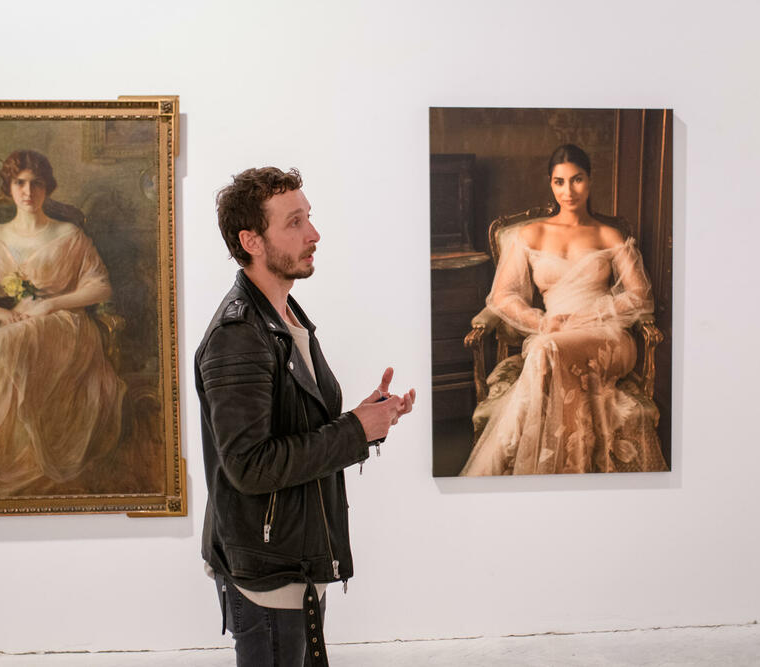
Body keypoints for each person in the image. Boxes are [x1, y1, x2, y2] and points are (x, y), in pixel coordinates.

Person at [196, 167, 415, 666]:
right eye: (294, 222)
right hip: (269, 574)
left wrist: (368, 419)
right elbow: (249, 466)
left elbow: (298, 429)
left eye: (309, 218)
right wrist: (355, 430)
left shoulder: (285, 318)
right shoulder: (239, 336)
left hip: (294, 560)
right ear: (251, 241)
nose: (313, 234)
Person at [461, 144, 667, 475]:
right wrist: (542, 321)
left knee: (545, 350)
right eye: (559, 182)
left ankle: (509, 471)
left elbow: (639, 295)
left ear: (590, 180)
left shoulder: (608, 234)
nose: (568, 191)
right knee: (545, 349)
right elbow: (502, 295)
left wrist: (588, 316)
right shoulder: (533, 233)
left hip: (606, 335)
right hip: (553, 333)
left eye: (577, 179)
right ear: (550, 183)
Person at [0, 149, 126, 496]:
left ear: (47, 187)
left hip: (66, 327)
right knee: (3, 349)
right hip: (17, 323)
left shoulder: (68, 234)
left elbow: (100, 286)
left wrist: (52, 304)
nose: (28, 191)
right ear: (9, 187)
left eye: (36, 183)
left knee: (3, 345)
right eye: (20, 183)